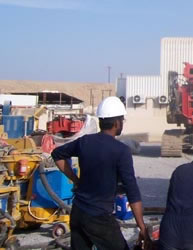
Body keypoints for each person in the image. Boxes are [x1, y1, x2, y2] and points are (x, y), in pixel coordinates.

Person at [52, 96, 151, 250]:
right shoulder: (121, 151)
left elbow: (57, 154)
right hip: (99, 217)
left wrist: (76, 180)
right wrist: (142, 227)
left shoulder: (85, 141)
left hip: (78, 213)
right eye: (122, 120)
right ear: (117, 123)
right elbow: (132, 191)